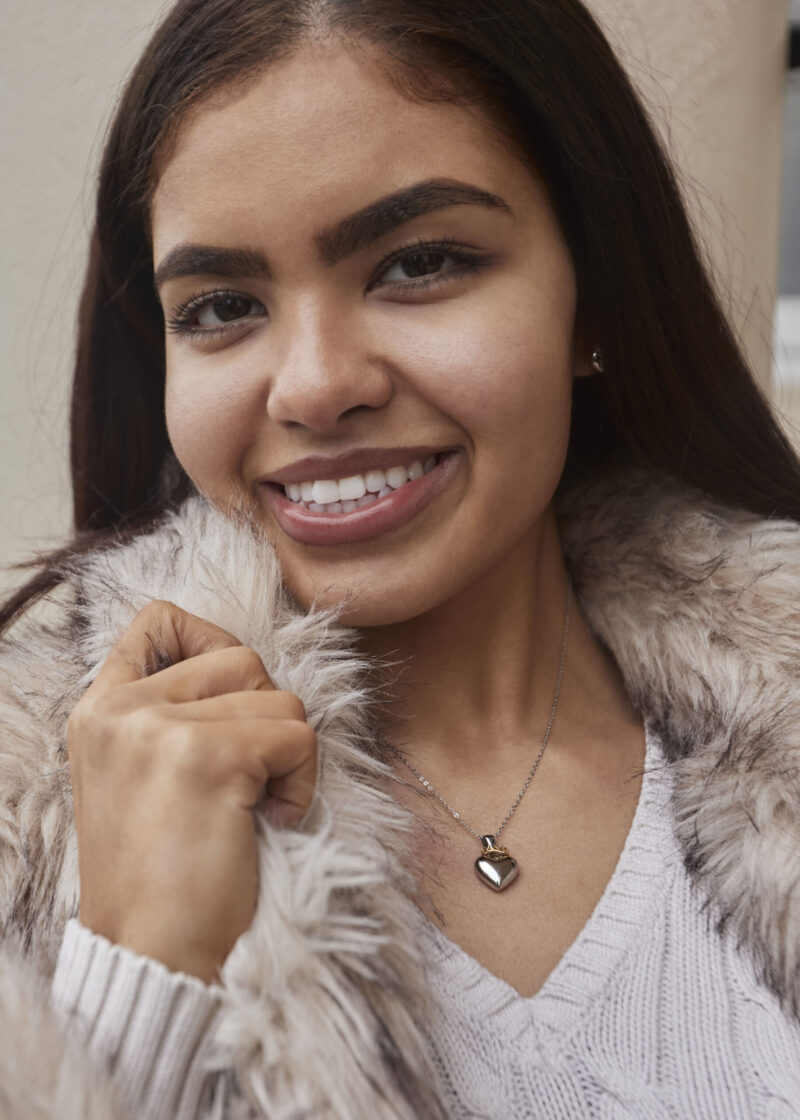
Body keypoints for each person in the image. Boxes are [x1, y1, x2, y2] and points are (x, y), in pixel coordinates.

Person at [2, 0, 800, 1116]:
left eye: (419, 262)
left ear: (592, 296)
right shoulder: (34, 825)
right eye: (223, 305)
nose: (317, 384)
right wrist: (132, 971)